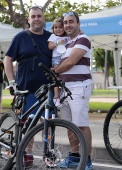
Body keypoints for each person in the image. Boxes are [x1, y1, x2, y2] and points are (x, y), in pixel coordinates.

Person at [4, 5, 54, 168]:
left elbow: (68, 41)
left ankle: (48, 155)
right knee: (29, 126)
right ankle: (28, 155)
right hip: (26, 89)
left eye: (39, 16)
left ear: (44, 18)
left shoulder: (51, 37)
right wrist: (12, 82)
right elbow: (8, 59)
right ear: (28, 19)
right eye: (33, 16)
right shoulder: (20, 37)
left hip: (47, 90)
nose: (36, 19)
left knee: (48, 125)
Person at [54, 12, 93, 170]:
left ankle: (87, 160)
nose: (67, 25)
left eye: (71, 22)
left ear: (78, 24)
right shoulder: (65, 43)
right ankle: (74, 157)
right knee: (70, 125)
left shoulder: (83, 39)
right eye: (65, 22)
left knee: (81, 125)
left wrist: (54, 70)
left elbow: (71, 62)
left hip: (79, 86)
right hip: (64, 88)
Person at [48, 18, 68, 107]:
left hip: (65, 57)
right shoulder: (53, 37)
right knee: (56, 76)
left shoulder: (67, 37)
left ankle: (62, 95)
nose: (58, 29)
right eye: (55, 27)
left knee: (63, 76)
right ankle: (56, 97)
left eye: (60, 27)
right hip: (56, 58)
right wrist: (57, 43)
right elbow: (50, 47)